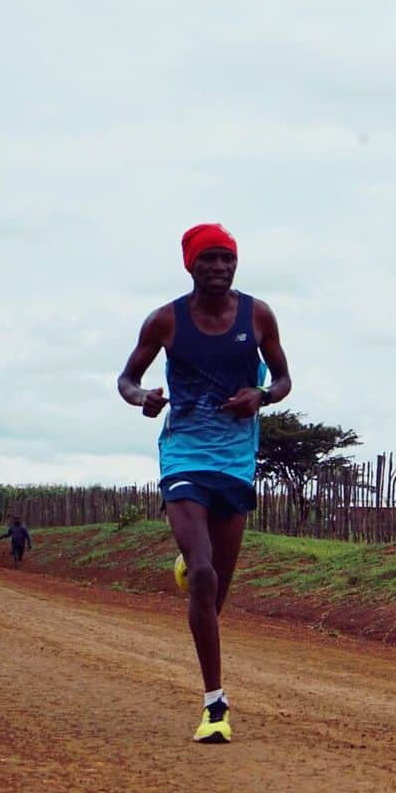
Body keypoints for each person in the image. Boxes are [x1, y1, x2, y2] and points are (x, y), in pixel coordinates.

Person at [117, 222, 292, 744]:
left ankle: (194, 578)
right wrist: (141, 397)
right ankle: (215, 705)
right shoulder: (165, 321)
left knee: (214, 593)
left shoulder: (258, 315)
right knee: (203, 574)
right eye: (208, 260)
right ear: (190, 265)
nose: (218, 268)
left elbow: (283, 379)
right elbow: (125, 378)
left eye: (226, 259)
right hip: (185, 455)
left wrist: (262, 397)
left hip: (236, 460)